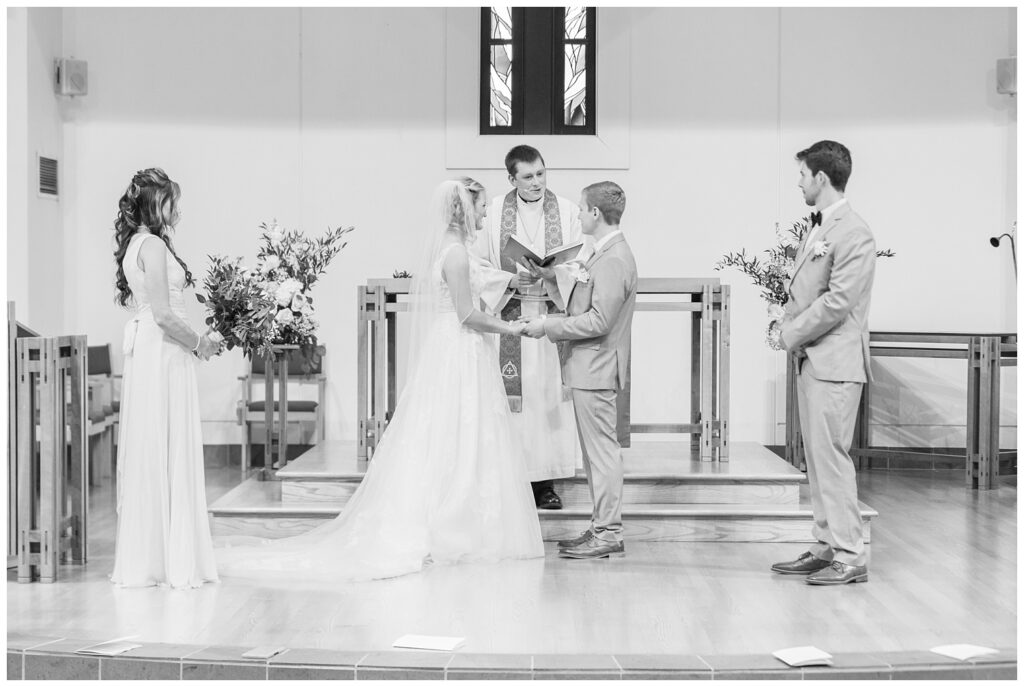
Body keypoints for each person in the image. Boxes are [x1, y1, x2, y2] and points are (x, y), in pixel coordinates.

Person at [215, 178, 544, 581]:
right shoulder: (456, 254)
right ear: (463, 210)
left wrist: (512, 281)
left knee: (453, 432)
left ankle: (458, 519)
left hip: (454, 348)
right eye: (481, 207)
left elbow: (480, 277)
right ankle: (455, 525)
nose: (485, 214)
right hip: (460, 345)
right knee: (460, 430)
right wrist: (513, 329)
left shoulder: (454, 250)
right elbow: (467, 314)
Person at [770, 140, 876, 585]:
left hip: (834, 362)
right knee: (816, 458)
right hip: (813, 359)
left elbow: (837, 302)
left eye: (802, 174)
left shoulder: (854, 232)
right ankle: (827, 544)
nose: (798, 181)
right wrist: (784, 320)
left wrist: (789, 332)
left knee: (831, 457)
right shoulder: (820, 227)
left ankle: (851, 554)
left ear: (820, 177)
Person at [110, 168, 221, 589]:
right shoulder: (152, 244)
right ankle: (171, 558)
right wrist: (199, 343)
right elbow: (161, 313)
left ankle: (154, 554)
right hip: (164, 351)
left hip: (151, 352)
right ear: (157, 203)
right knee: (167, 443)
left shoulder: (136, 245)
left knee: (157, 445)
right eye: (174, 200)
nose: (179, 209)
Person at [522, 181, 637, 559]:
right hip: (589, 367)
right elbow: (585, 301)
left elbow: (599, 321)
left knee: (603, 455)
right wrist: (553, 278)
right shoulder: (601, 253)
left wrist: (548, 326)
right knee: (594, 456)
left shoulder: (615, 257)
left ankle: (608, 532)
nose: (577, 214)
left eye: (582, 209)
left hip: (598, 367)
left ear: (595, 214)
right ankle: (599, 527)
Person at [470, 145, 583, 510]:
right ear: (511, 178)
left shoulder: (565, 211)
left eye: (541, 174)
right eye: (528, 177)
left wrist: (553, 273)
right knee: (513, 403)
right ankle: (510, 480)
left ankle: (545, 483)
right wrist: (509, 280)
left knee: (545, 400)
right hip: (510, 317)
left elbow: (580, 261)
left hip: (550, 318)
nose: (537, 183)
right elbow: (477, 264)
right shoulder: (494, 212)